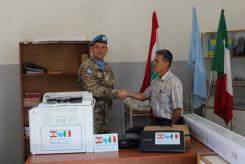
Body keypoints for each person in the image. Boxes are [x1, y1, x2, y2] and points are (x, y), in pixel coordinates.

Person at [123, 49, 183, 126]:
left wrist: (171, 127)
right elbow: (144, 96)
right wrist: (127, 93)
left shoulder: (174, 82)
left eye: (157, 61)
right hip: (157, 121)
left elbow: (178, 110)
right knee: (132, 132)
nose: (154, 64)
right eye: (154, 61)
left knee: (140, 135)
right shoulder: (155, 81)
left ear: (166, 64)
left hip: (168, 123)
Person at [80, 34, 125, 134]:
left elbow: (109, 87)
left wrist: (117, 93)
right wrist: (116, 93)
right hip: (92, 115)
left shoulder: (107, 67)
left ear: (107, 49)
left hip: (106, 115)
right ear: (91, 49)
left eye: (103, 47)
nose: (100, 50)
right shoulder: (86, 67)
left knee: (105, 144)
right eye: (97, 47)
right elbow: (93, 89)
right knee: (93, 144)